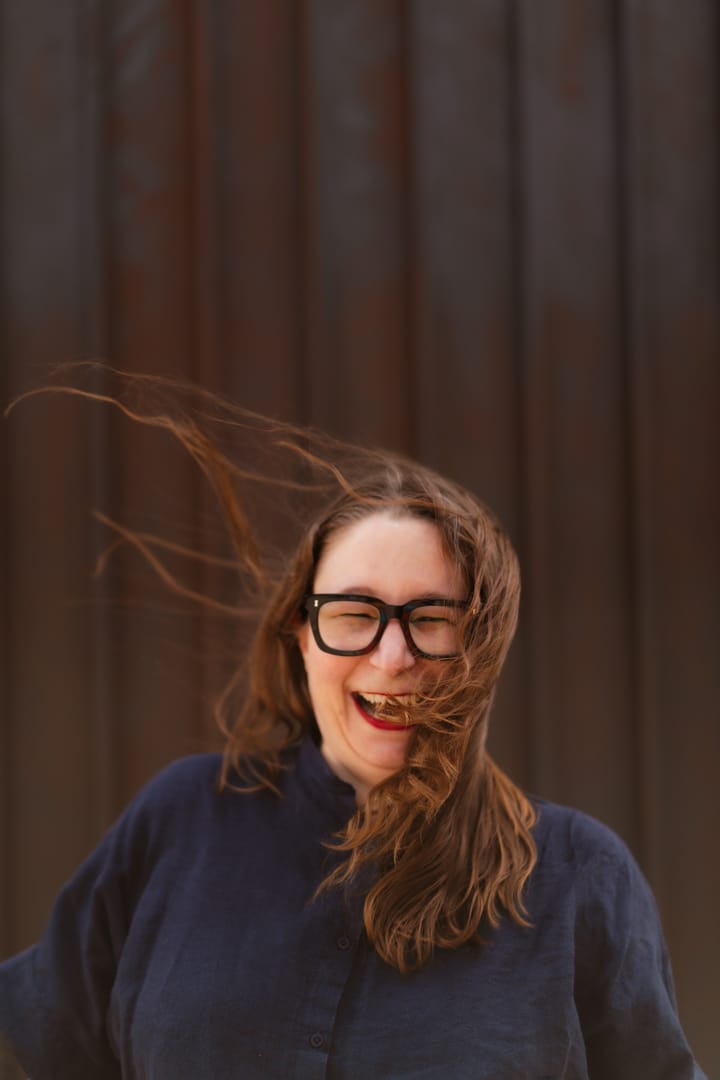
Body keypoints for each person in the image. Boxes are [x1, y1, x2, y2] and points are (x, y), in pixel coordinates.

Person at [0, 377, 708, 1077]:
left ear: (479, 649)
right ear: (302, 636)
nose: (392, 657)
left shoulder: (581, 875)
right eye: (354, 615)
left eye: (431, 619)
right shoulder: (181, 819)